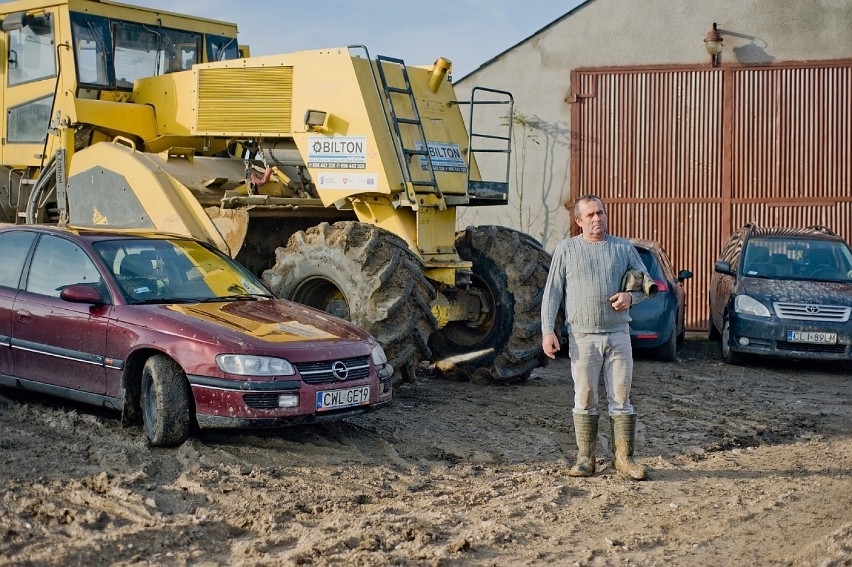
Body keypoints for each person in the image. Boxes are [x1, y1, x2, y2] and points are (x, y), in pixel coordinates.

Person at [541, 194, 650, 480]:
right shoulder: (566, 249)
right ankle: (585, 458)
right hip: (582, 336)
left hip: (618, 334)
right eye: (589, 215)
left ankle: (625, 459)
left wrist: (630, 296)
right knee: (585, 397)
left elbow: (646, 284)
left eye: (600, 213)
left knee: (621, 398)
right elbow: (552, 292)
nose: (597, 219)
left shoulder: (623, 248)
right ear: (578, 221)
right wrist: (547, 330)